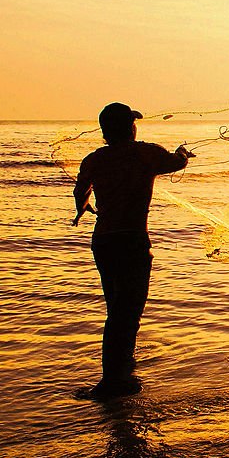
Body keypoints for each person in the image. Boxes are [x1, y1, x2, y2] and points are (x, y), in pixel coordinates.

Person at [73, 102, 195, 399]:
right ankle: (114, 381)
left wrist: (83, 208)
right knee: (127, 312)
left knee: (116, 307)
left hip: (103, 242)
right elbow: (176, 163)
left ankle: (120, 373)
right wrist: (182, 153)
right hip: (131, 240)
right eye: (132, 123)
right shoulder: (145, 153)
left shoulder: (94, 159)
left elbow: (80, 190)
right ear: (130, 127)